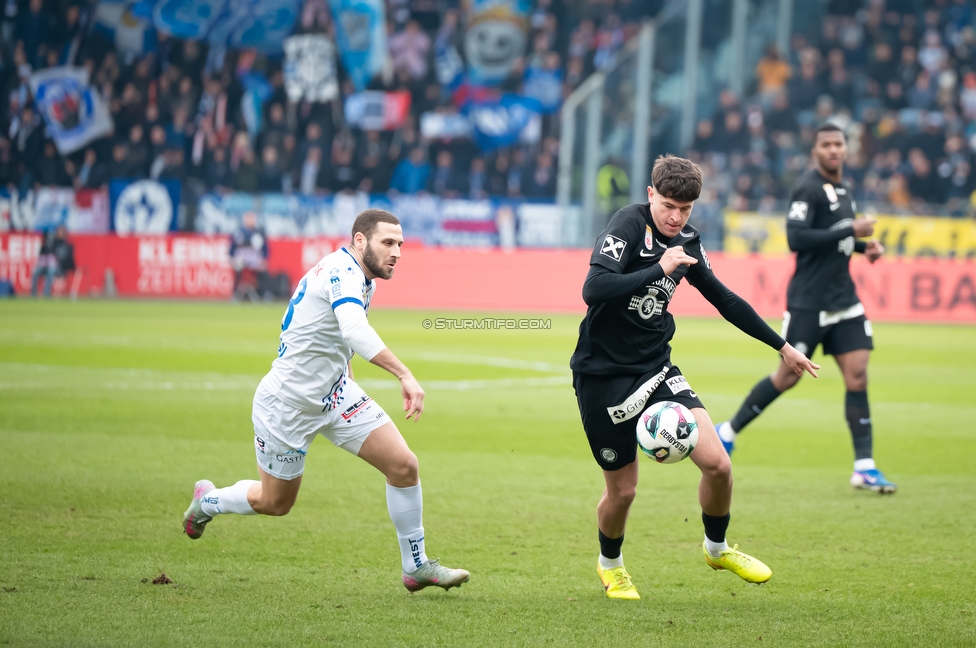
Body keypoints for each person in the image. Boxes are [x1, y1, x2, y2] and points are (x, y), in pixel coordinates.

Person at [570, 154, 818, 600]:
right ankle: (612, 566)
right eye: (668, 205)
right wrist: (658, 269)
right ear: (651, 195)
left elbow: (724, 299)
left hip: (656, 369)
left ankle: (717, 548)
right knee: (623, 492)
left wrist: (782, 346)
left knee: (719, 465)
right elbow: (593, 289)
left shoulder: (687, 240)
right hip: (602, 375)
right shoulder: (626, 226)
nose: (675, 217)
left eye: (685, 209)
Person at [183, 209, 470, 593]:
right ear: (359, 241)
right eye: (388, 242)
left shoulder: (362, 276)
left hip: (336, 395)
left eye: (400, 244)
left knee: (403, 466)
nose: (397, 251)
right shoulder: (342, 271)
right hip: (287, 405)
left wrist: (345, 371)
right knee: (275, 502)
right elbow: (353, 329)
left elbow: (333, 332)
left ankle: (415, 566)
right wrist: (404, 374)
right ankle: (208, 500)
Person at [717, 123, 896, 494]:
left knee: (858, 376)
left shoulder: (845, 188)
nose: (833, 150)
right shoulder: (807, 188)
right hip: (808, 303)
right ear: (814, 151)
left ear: (847, 148)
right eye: (826, 144)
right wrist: (850, 230)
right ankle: (728, 431)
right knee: (787, 377)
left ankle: (864, 467)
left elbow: (836, 238)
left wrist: (865, 249)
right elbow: (797, 238)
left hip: (844, 300)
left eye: (838, 144)